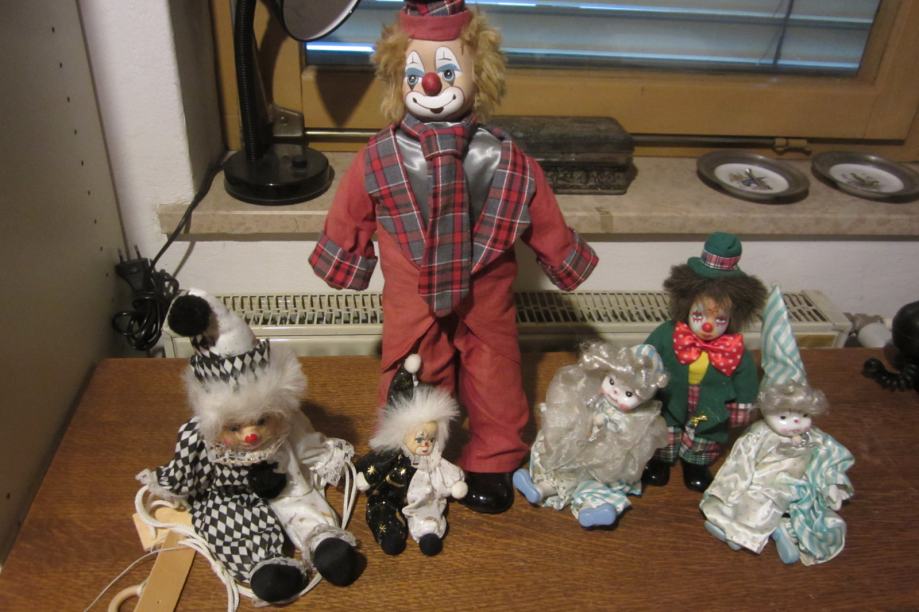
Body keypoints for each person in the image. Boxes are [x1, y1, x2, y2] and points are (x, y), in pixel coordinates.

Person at [309, 0, 597, 513]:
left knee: (496, 376)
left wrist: (562, 257)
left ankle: (493, 457)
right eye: (414, 73)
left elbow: (542, 213)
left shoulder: (506, 158)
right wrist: (345, 256)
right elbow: (350, 212)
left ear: (479, 74)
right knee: (416, 372)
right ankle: (413, 455)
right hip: (412, 300)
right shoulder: (378, 157)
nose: (430, 84)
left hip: (486, 297)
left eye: (447, 71)